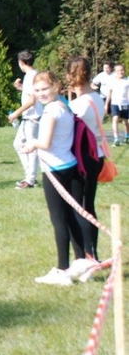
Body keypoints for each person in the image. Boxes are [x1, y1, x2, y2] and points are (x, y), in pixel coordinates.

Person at [19, 70, 86, 286]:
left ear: (56, 86)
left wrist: (31, 144)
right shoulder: (64, 104)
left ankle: (62, 270)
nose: (41, 93)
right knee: (72, 216)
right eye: (37, 90)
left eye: (45, 89)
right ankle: (82, 263)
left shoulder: (50, 111)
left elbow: (45, 143)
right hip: (70, 166)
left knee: (59, 220)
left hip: (55, 170)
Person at [65, 57, 105, 276]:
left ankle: (86, 257)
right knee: (88, 205)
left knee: (78, 208)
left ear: (71, 76)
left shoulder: (79, 105)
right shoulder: (97, 98)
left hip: (82, 158)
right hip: (97, 156)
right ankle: (93, 253)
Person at [8, 50, 44, 189]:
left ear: (21, 63)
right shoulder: (35, 74)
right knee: (18, 144)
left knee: (31, 147)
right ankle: (29, 175)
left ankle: (30, 179)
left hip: (32, 117)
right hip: (31, 116)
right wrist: (21, 88)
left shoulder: (30, 77)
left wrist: (16, 113)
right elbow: (34, 94)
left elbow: (32, 100)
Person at [104, 63, 129, 146]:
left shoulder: (127, 81)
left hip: (125, 103)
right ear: (115, 72)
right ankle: (116, 139)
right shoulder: (112, 81)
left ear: (124, 71)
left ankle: (127, 135)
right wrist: (106, 104)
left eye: (122, 70)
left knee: (125, 122)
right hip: (115, 103)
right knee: (115, 119)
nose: (120, 72)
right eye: (118, 70)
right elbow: (109, 93)